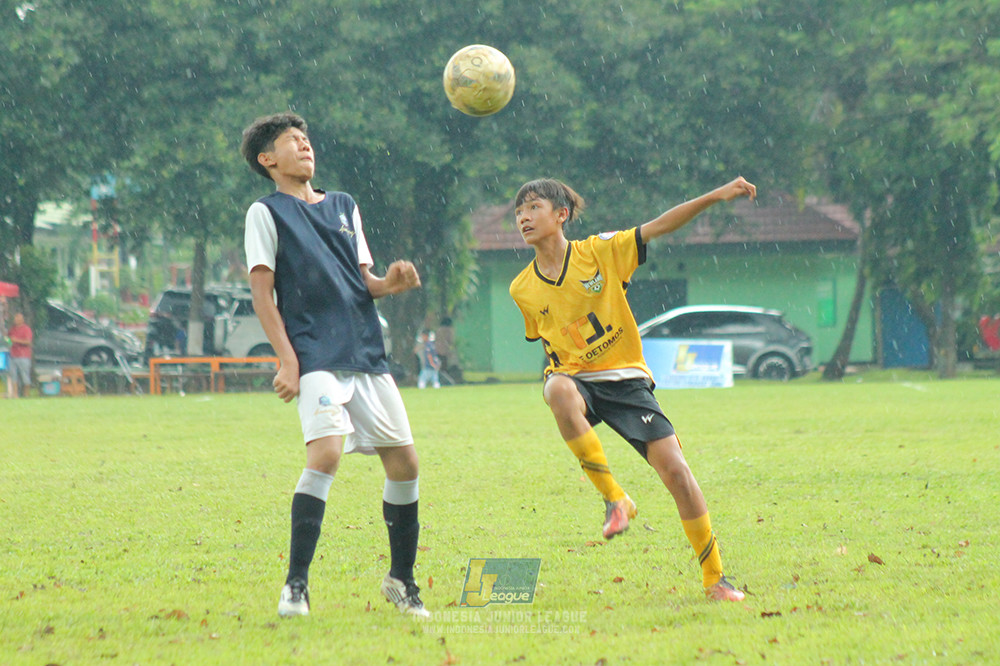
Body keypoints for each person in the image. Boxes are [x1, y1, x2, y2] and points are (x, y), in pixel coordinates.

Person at [508, 176, 756, 602]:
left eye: (533, 208)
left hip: (625, 379)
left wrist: (715, 195)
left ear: (561, 215)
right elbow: (550, 344)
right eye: (519, 212)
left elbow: (659, 225)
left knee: (676, 472)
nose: (523, 218)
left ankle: (715, 578)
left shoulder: (601, 251)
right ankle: (616, 500)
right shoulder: (521, 288)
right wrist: (564, 375)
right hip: (574, 379)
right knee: (557, 391)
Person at [240, 112, 428, 618]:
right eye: (292, 142)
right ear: (267, 159)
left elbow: (364, 280)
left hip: (366, 352)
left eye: (307, 139)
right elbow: (263, 295)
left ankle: (401, 580)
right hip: (316, 354)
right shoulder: (266, 212)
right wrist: (288, 361)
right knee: (325, 455)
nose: (305, 147)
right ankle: (295, 586)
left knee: (406, 464)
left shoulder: (345, 206)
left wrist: (391, 283)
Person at [9, 312, 33, 398]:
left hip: (23, 356)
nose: (15, 320)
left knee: (25, 376)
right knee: (13, 375)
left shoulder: (26, 329)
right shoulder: (12, 329)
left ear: (22, 320)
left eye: (17, 318)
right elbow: (9, 339)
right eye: (15, 318)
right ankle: (15, 394)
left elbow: (28, 342)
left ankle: (26, 394)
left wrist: (16, 340)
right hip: (13, 355)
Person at [434, 317, 463, 384]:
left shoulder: (438, 330)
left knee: (437, 368)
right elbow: (451, 341)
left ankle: (438, 380)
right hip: (444, 352)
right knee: (443, 368)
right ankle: (444, 382)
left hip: (436, 351)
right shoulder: (449, 330)